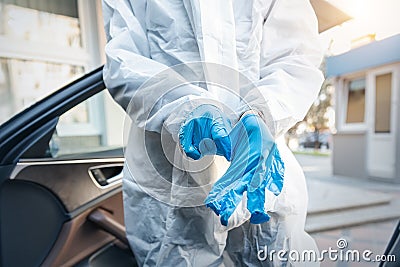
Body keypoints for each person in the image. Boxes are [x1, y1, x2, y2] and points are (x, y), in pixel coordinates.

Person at [102, 0, 324, 266]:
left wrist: (262, 113)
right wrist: (186, 109)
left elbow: (296, 57)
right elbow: (123, 63)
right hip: (171, 182)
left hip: (257, 162)